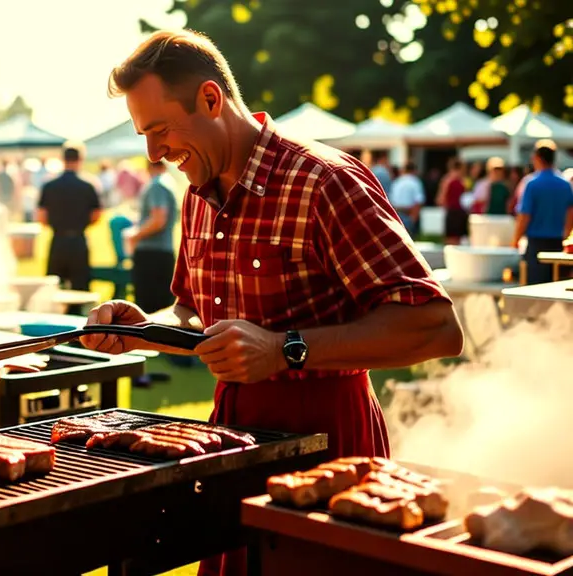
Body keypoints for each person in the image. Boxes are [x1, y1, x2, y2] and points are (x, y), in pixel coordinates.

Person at [81, 30, 464, 576]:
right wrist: (147, 329)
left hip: (330, 442)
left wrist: (286, 349)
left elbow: (435, 326)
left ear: (211, 100)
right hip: (231, 441)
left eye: (159, 130)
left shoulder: (324, 180)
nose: (153, 153)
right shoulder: (198, 192)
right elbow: (194, 315)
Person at [37, 142, 101, 304]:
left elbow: (42, 217)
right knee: (80, 290)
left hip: (58, 241)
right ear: (81, 159)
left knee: (54, 288)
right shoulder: (88, 186)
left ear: (62, 159)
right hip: (78, 241)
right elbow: (96, 215)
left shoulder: (49, 185)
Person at [512, 144, 573, 285]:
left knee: (534, 289)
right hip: (558, 244)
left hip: (536, 245)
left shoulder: (531, 183)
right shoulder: (564, 184)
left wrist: (516, 240)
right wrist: (566, 234)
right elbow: (571, 212)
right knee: (556, 287)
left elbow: (524, 216)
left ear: (537, 158)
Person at [129, 160, 178, 314]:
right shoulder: (168, 183)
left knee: (147, 311)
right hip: (162, 252)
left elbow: (158, 219)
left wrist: (134, 235)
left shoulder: (157, 185)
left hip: (151, 255)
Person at [387, 161, 425, 237]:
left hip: (396, 214)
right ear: (414, 170)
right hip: (408, 215)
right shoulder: (415, 182)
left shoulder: (397, 181)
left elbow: (390, 199)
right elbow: (418, 202)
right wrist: (413, 219)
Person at [437, 158, 467, 244]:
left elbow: (440, 199)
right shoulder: (461, 181)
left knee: (450, 240)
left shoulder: (447, 180)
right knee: (457, 240)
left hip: (452, 211)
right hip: (458, 212)